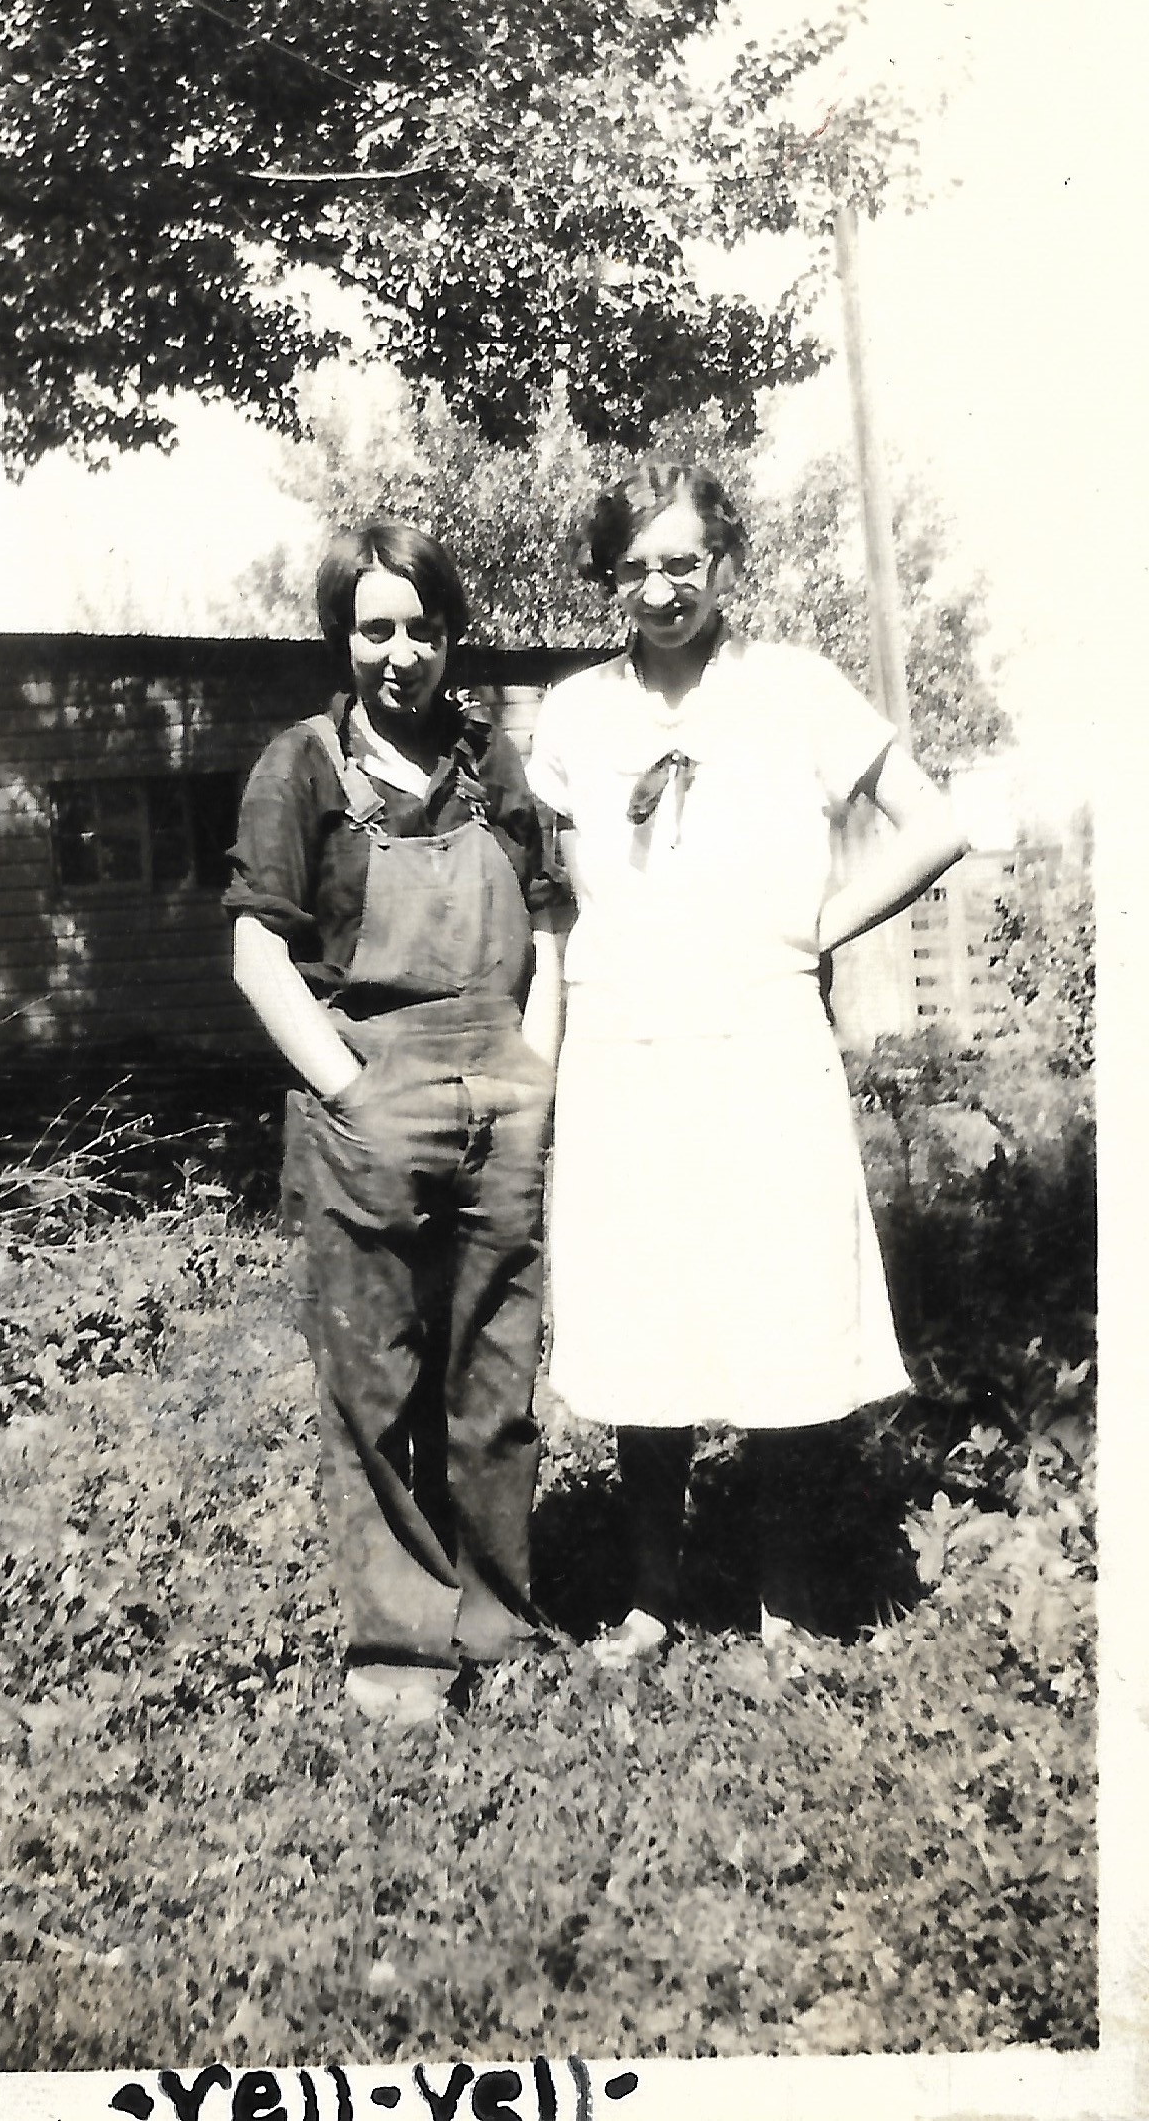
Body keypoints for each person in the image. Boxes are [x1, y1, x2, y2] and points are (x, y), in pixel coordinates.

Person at [526, 461, 968, 1660]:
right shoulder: (573, 715)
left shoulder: (795, 689)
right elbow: (560, 900)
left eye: (684, 561)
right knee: (643, 1307)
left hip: (761, 1041)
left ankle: (787, 1600)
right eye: (635, 567)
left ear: (725, 563)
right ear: (609, 578)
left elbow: (935, 824)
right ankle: (651, 1598)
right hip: (626, 1047)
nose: (661, 588)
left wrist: (817, 927)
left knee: (780, 1302)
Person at [226, 521, 561, 1723]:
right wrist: (350, 1089)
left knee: (495, 1378)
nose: (402, 653)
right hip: (370, 1098)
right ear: (343, 637)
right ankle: (401, 1651)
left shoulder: (490, 761)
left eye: (423, 628)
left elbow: (550, 927)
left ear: (451, 634)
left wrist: (537, 1072)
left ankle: (498, 1622)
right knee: (375, 1385)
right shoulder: (301, 768)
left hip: (500, 1096)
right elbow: (257, 951)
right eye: (377, 628)